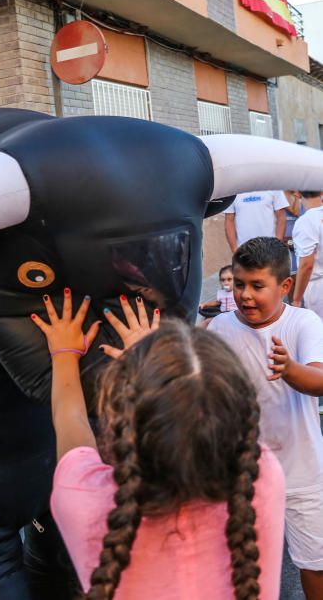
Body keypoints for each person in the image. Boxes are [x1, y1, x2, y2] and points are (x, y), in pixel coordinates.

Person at [31, 290, 285, 599]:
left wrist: (65, 354)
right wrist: (151, 368)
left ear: (124, 417)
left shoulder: (87, 501)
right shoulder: (263, 480)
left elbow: (69, 422)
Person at [208, 237, 323, 600]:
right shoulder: (221, 328)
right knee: (246, 565)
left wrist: (289, 369)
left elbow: (320, 380)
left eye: (258, 286)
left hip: (303, 473)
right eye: (239, 284)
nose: (245, 295)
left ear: (285, 285)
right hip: (244, 474)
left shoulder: (303, 322)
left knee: (315, 563)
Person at [224, 191, 288, 254]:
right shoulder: (233, 190)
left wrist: (278, 245)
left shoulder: (273, 187)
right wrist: (234, 249)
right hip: (244, 250)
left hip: (270, 249)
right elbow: (229, 220)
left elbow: (281, 217)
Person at [292, 191, 323, 319]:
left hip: (318, 288)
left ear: (298, 193)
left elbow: (306, 265)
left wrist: (296, 299)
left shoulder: (306, 221)